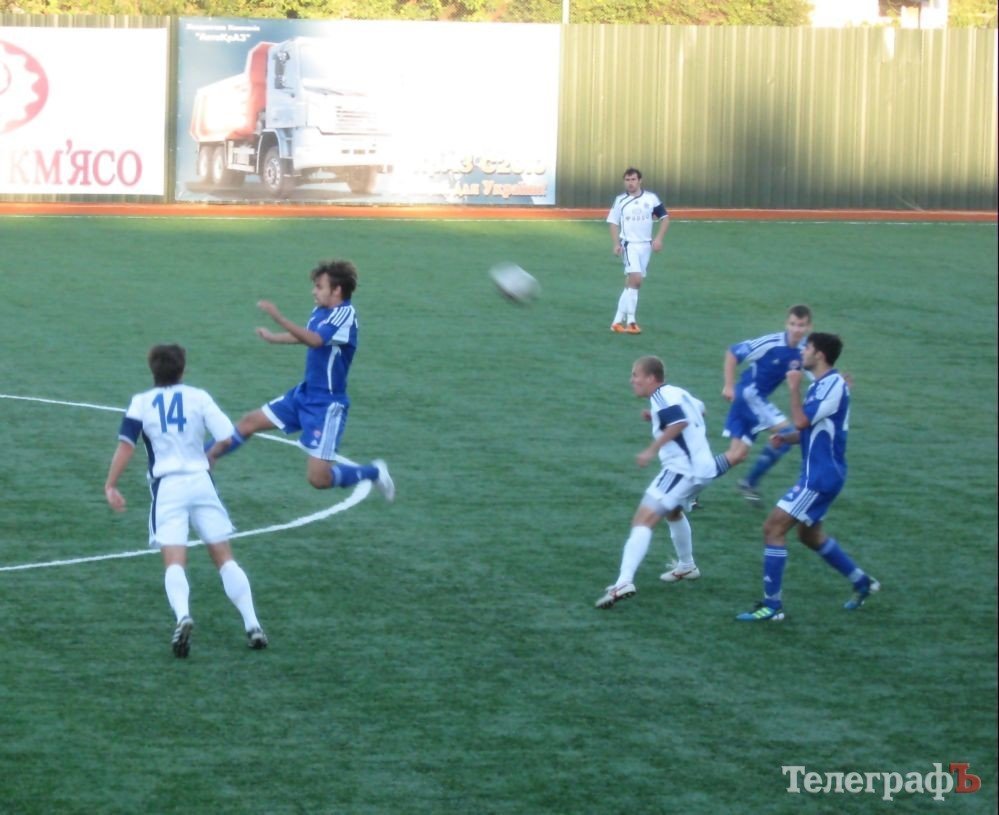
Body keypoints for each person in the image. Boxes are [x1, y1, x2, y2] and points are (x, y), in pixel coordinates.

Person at [104, 344, 267, 658]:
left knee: (174, 559)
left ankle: (183, 617)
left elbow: (126, 446)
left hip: (168, 487)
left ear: (153, 370)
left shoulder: (141, 402)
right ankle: (252, 624)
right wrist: (207, 455)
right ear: (182, 369)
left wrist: (111, 484)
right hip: (201, 482)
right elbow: (226, 435)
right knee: (224, 557)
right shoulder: (199, 396)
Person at [209, 259, 394, 502]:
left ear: (336, 290)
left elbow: (316, 340)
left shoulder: (345, 315)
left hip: (326, 406)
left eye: (319, 286)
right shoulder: (321, 311)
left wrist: (278, 317)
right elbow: (306, 336)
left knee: (319, 479)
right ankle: (201, 461)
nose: (313, 291)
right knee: (249, 422)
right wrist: (274, 338)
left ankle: (374, 472)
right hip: (304, 394)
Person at [735, 333, 879, 622]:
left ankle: (772, 606)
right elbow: (809, 430)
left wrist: (793, 388)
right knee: (810, 536)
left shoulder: (830, 386)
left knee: (772, 528)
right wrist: (785, 438)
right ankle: (862, 581)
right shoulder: (825, 385)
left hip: (819, 477)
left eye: (809, 348)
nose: (804, 352)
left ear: (821, 355)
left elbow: (802, 420)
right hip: (823, 473)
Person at [595, 356, 715, 609]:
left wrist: (651, 450)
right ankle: (686, 565)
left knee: (642, 519)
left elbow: (679, 422)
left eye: (635, 375)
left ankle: (623, 581)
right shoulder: (676, 393)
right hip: (703, 468)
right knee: (672, 511)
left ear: (651, 378)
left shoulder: (661, 396)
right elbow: (699, 409)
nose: (632, 380)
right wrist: (657, 417)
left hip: (683, 469)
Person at [713, 305, 812, 503]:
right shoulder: (771, 343)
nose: (796, 329)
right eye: (793, 324)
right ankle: (749, 482)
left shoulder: (805, 350)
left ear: (808, 327)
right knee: (789, 434)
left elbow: (815, 373)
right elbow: (733, 353)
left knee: (736, 455)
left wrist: (837, 381)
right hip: (749, 395)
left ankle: (688, 485)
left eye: (801, 325)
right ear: (787, 324)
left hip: (754, 400)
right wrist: (729, 386)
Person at [606, 168, 669, 335]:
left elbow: (665, 218)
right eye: (627, 179)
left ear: (640, 180)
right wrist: (616, 243)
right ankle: (631, 321)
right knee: (636, 279)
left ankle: (616, 322)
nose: (630, 182)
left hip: (646, 246)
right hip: (629, 245)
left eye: (633, 179)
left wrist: (659, 239)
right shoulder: (620, 201)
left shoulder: (651, 198)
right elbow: (613, 222)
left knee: (631, 284)